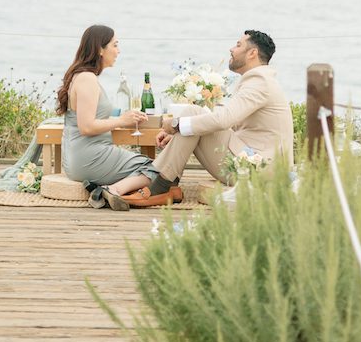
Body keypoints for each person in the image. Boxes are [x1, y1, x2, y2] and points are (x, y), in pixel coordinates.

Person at [112, 29, 294, 209]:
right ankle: (165, 184)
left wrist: (175, 125)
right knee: (193, 113)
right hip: (249, 157)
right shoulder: (260, 80)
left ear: (252, 53)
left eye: (238, 45)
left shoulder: (259, 82)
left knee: (191, 116)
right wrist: (178, 134)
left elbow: (224, 120)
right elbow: (227, 122)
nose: (232, 49)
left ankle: (160, 185)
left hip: (258, 170)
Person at [56, 24, 167, 211]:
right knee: (159, 170)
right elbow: (87, 127)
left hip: (82, 156)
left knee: (148, 166)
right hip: (88, 157)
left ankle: (110, 189)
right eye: (115, 45)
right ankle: (111, 190)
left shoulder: (84, 77)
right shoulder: (87, 79)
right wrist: (122, 121)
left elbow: (92, 114)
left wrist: (122, 115)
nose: (118, 51)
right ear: (100, 49)